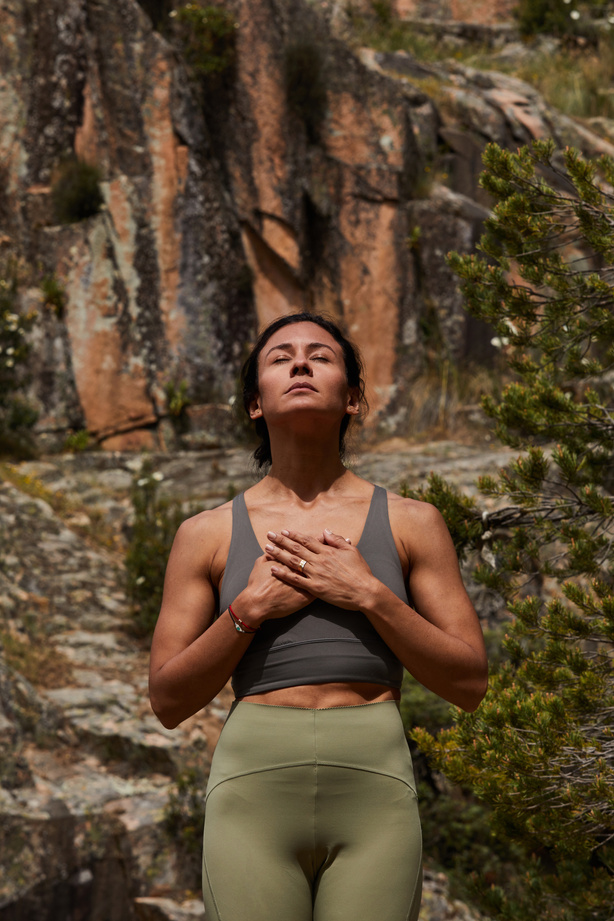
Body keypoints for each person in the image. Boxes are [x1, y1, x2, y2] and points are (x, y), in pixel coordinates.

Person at [149, 312, 488, 921]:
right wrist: (247, 612)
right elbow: (168, 700)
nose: (300, 363)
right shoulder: (203, 535)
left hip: (374, 789)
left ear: (353, 398)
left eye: (321, 356)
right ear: (255, 402)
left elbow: (468, 683)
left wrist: (370, 594)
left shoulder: (414, 522)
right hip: (252, 791)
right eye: (280, 357)